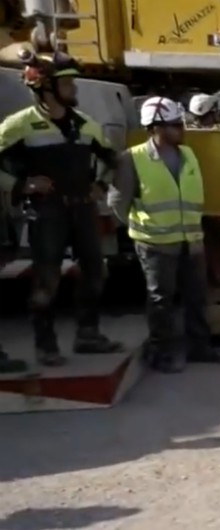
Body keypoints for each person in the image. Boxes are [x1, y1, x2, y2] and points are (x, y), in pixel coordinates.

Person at [0, 50, 123, 366]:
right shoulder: (19, 125)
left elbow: (112, 160)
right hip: (46, 213)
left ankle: (88, 335)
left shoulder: (86, 125)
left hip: (83, 209)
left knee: (96, 272)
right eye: (67, 84)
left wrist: (101, 185)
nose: (74, 88)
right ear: (45, 89)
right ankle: (46, 346)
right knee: (47, 281)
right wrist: (22, 185)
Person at [108, 97, 220, 373]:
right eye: (174, 125)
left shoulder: (188, 155)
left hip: (191, 241)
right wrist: (144, 227)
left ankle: (199, 347)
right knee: (161, 300)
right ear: (155, 128)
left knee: (196, 296)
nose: (181, 129)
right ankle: (161, 353)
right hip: (156, 244)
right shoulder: (132, 159)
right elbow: (118, 202)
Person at [187, 93, 220, 288]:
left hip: (198, 197)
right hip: (218, 196)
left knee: (206, 242)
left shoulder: (186, 136)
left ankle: (211, 278)